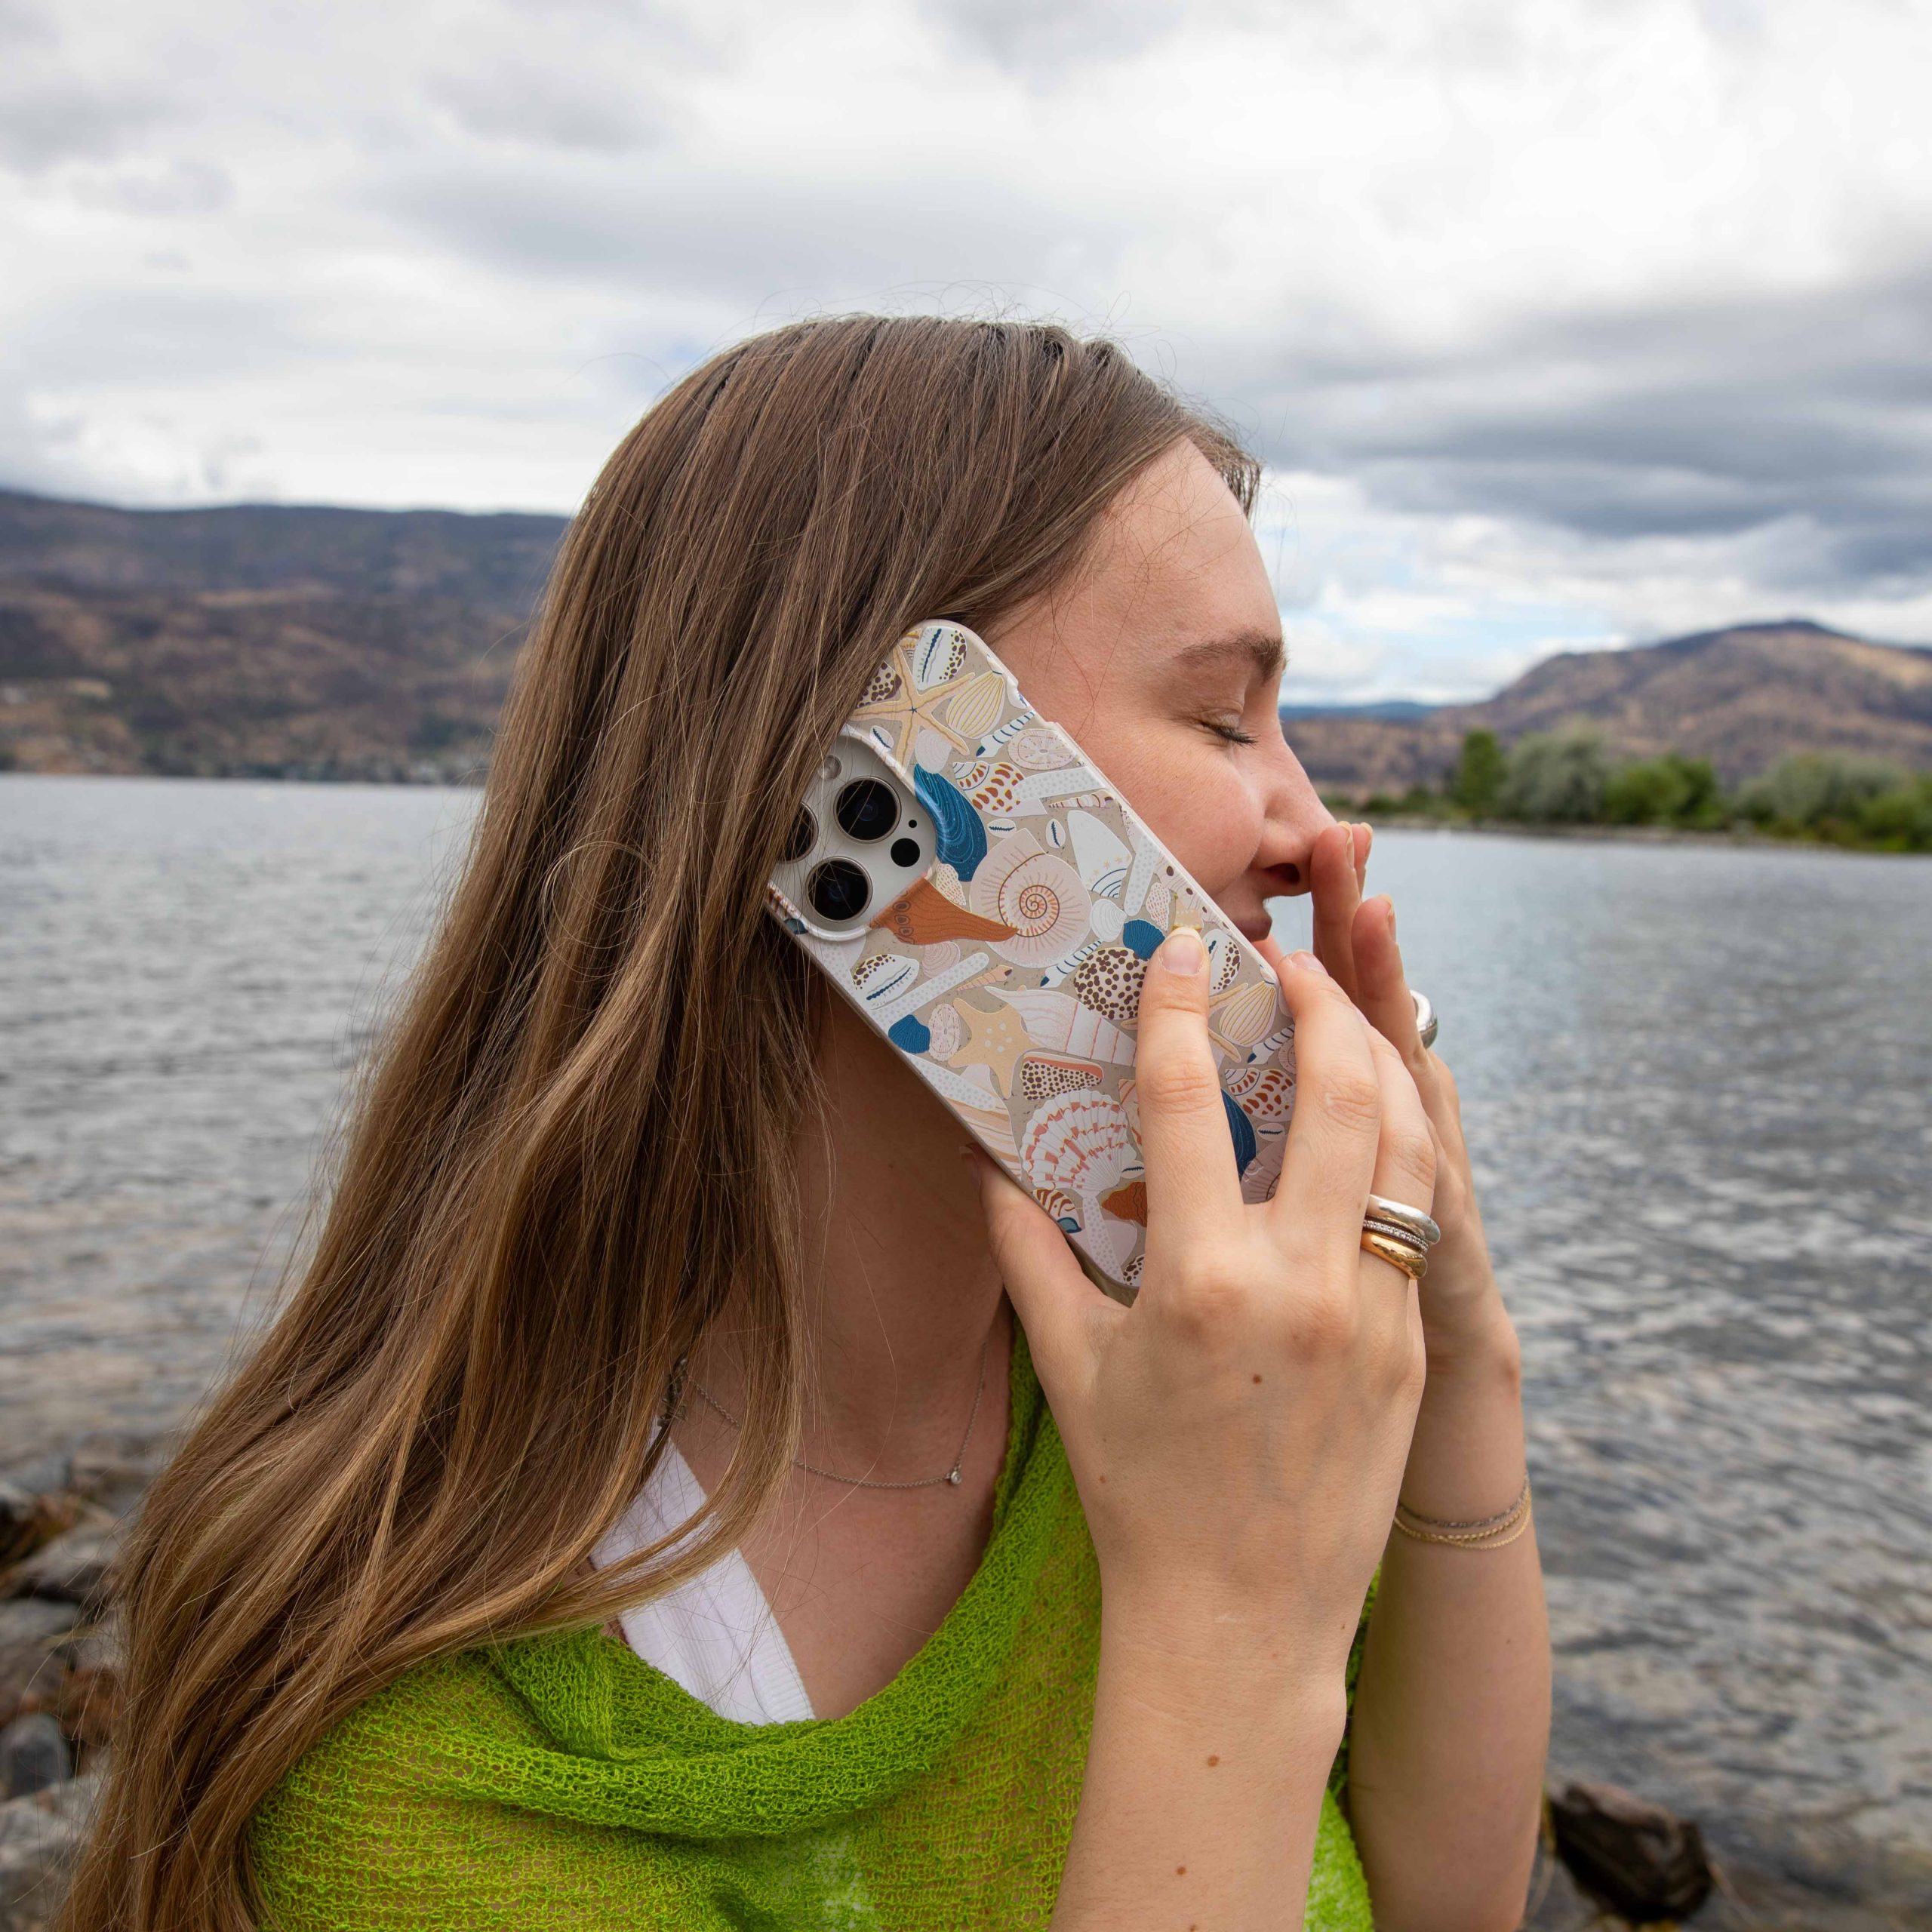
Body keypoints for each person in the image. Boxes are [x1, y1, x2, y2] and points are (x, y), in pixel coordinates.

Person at [59, 316, 1550, 1931]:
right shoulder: (428, 1748)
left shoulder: (1186, 1378)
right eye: (1218, 716)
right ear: (876, 773)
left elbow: (1439, 1901)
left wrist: (1455, 1337)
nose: (1310, 823)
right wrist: (1226, 1608)